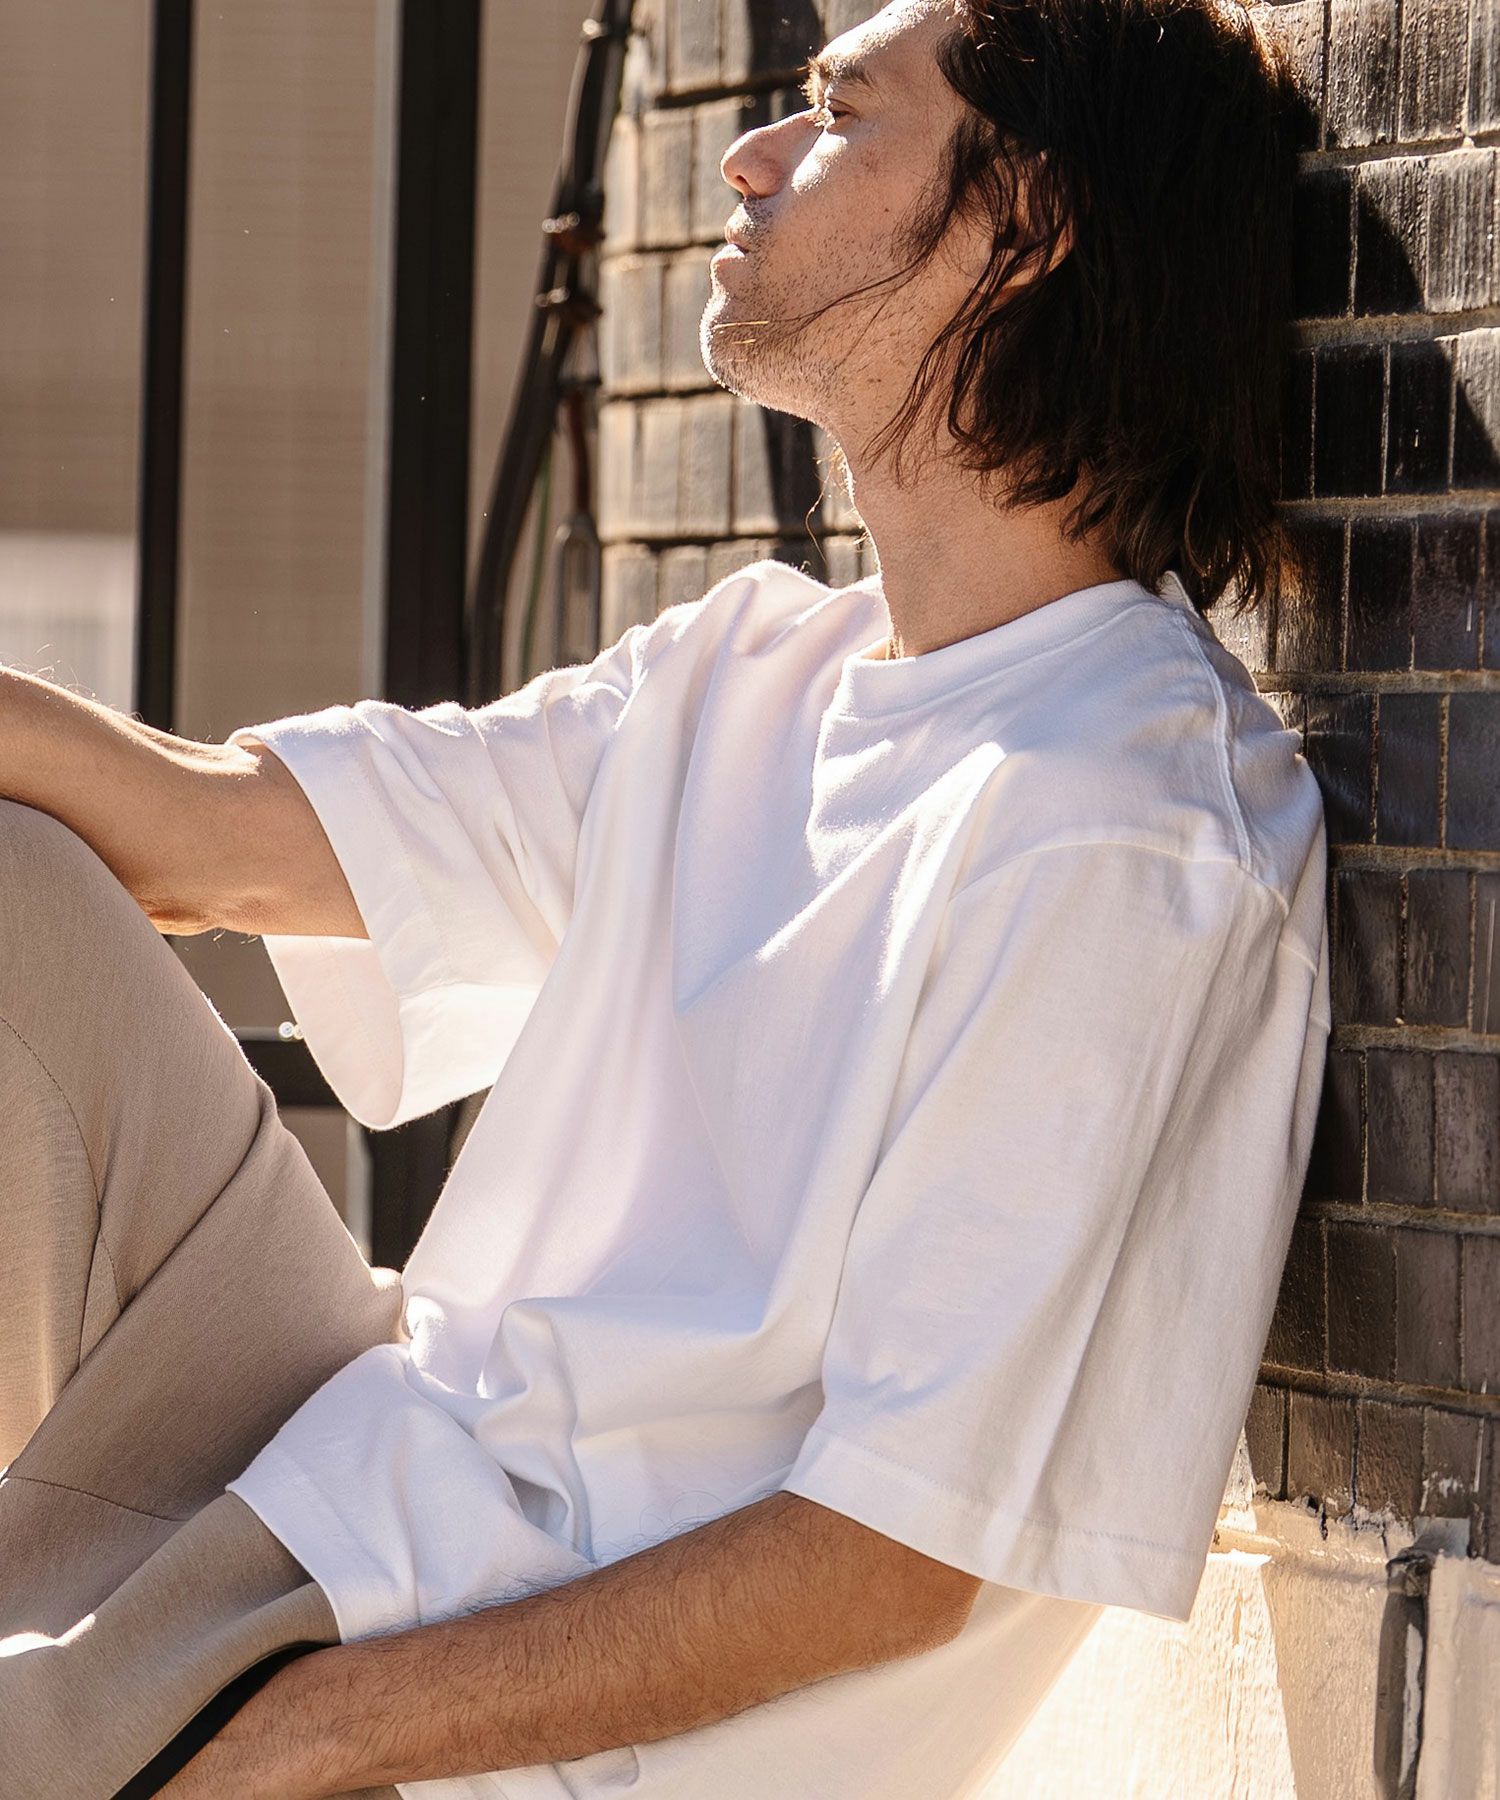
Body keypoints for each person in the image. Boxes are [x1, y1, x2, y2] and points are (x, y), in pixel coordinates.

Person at [0, 0, 1328, 1794]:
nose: (749, 159)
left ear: (1024, 225)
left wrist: (274, 1743)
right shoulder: (748, 670)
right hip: (356, 1466)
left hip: (475, 1714)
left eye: (839, 116)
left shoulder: (1124, 834)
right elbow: (197, 837)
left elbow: (888, 1559)